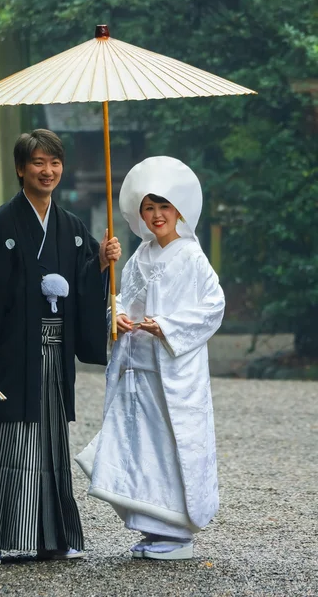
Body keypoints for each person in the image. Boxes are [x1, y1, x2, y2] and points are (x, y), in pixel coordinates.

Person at [0, 129, 121, 564]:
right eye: (38, 163)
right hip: (7, 351)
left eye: (55, 163)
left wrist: (99, 262)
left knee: (50, 443)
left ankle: (52, 537)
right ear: (21, 169)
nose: (48, 171)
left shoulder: (72, 228)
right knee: (4, 437)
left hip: (53, 353)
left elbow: (81, 287)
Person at [76, 156, 225, 560]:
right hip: (138, 367)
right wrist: (117, 316)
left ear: (178, 210)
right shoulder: (140, 256)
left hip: (174, 369)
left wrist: (169, 326)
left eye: (164, 207)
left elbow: (213, 306)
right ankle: (153, 524)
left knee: (171, 445)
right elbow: (124, 298)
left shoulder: (192, 257)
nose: (157, 215)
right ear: (139, 213)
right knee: (140, 446)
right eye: (148, 207)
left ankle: (178, 532)